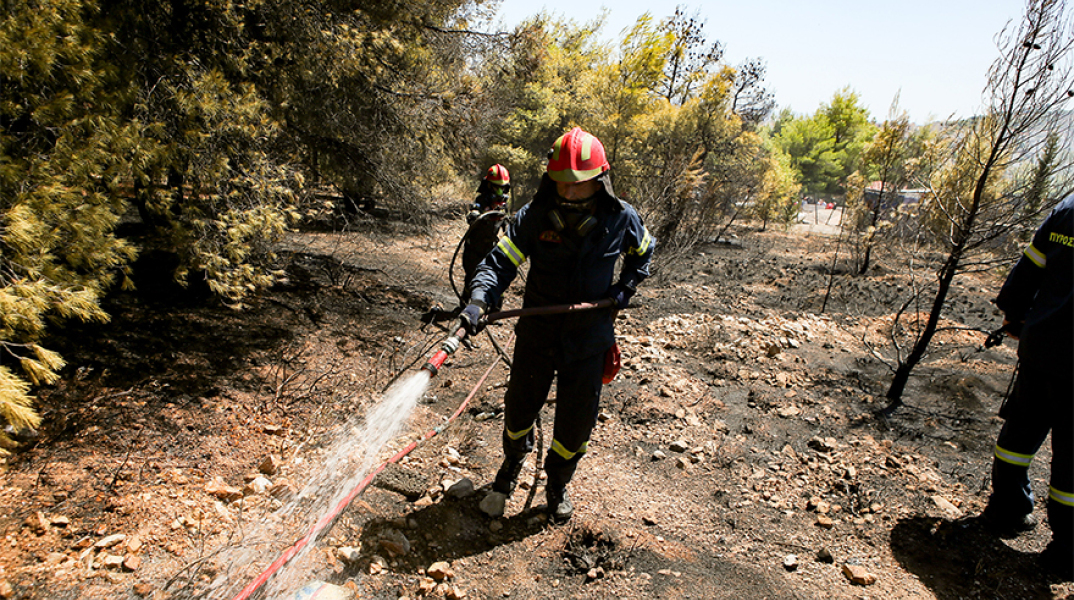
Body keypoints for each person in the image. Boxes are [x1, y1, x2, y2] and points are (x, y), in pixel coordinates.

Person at [458, 127, 655, 522]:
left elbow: (644, 253)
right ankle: (512, 462)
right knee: (519, 410)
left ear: (600, 179)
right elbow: (500, 263)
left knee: (575, 423)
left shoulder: (622, 218)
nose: (568, 191)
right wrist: (479, 299)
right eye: (561, 182)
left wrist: (623, 290)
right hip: (537, 335)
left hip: (589, 339)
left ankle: (558, 482)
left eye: (578, 184)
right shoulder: (534, 216)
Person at [982, 194, 1072, 580]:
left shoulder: (1067, 211)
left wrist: (1015, 316)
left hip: (1043, 349)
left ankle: (1008, 510)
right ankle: (1067, 550)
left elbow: (1029, 269)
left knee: (1019, 435)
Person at [461, 165, 511, 304]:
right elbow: (474, 210)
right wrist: (475, 215)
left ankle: (495, 310)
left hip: (491, 248)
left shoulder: (503, 206)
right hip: (474, 247)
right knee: (471, 277)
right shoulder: (481, 200)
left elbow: (506, 225)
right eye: (496, 187)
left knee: (496, 278)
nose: (500, 192)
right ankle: (464, 305)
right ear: (489, 186)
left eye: (503, 188)